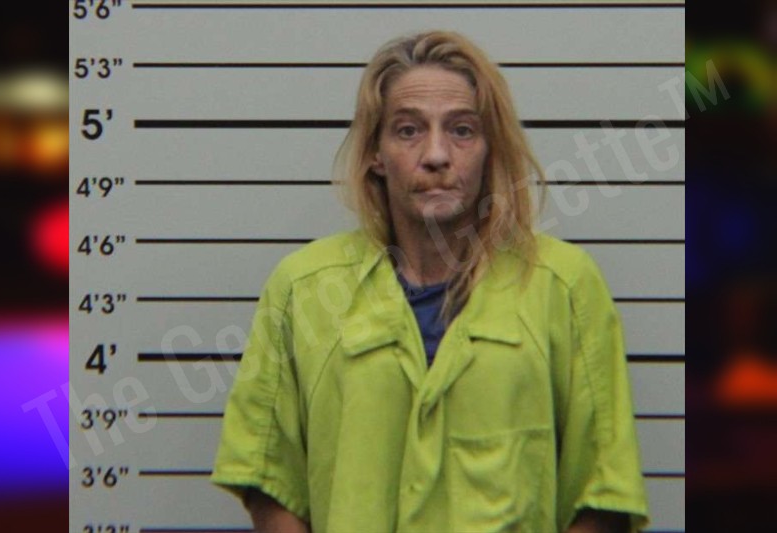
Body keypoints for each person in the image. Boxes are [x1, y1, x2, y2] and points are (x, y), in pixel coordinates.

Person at [211, 30, 649, 532]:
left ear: (490, 148)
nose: (437, 154)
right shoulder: (304, 289)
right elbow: (268, 474)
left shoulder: (564, 286)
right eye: (408, 130)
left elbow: (604, 488)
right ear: (376, 153)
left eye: (462, 130)